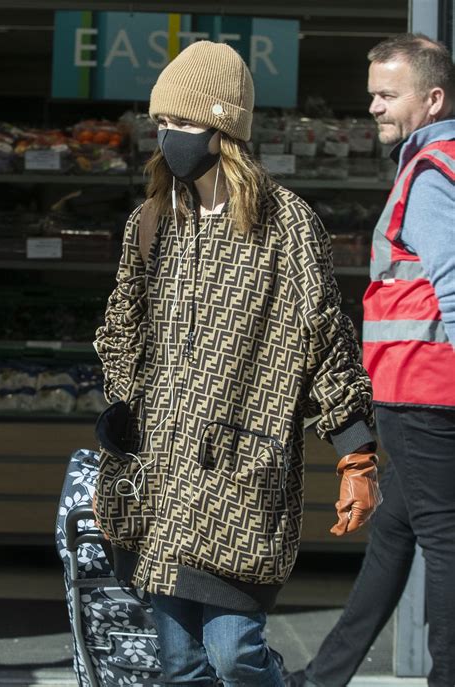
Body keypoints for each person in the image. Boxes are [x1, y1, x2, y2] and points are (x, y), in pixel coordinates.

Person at [93, 40, 381, 687]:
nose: (166, 137)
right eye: (160, 124)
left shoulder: (287, 227)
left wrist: (355, 451)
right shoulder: (151, 222)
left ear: (222, 127)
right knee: (179, 664)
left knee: (236, 654)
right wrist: (122, 400)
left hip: (239, 480)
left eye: (181, 123)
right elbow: (119, 327)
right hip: (159, 479)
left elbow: (325, 339)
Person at [290, 33, 455, 687]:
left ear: (433, 98)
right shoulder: (438, 163)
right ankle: (325, 675)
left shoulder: (431, 175)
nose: (375, 109)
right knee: (394, 531)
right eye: (372, 96)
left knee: (442, 537)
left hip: (422, 390)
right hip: (421, 389)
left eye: (388, 96)